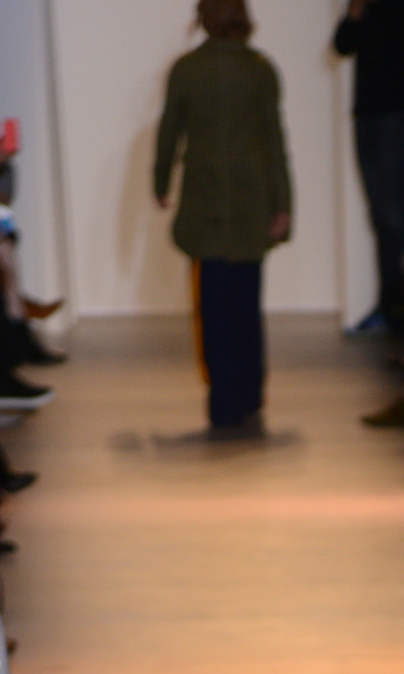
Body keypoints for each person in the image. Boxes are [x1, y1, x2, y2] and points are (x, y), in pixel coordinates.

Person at [152, 0, 293, 441]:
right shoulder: (260, 69)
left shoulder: (188, 69)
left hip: (205, 200)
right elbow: (274, 141)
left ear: (203, 19)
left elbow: (169, 131)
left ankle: (223, 403)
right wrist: (283, 204)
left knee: (213, 309)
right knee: (246, 305)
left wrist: (160, 181)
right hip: (251, 202)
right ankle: (250, 395)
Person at [334, 1, 404, 339]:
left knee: (394, 214)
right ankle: (391, 304)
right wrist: (355, 12)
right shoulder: (363, 6)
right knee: (381, 213)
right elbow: (342, 44)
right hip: (368, 112)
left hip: (394, 112)